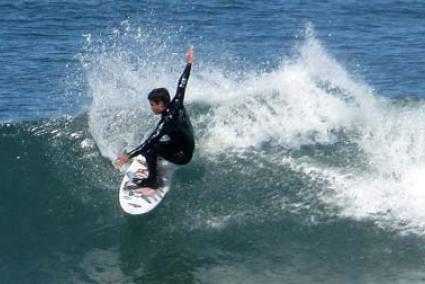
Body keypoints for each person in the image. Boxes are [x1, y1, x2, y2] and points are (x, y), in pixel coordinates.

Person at [115, 47, 195, 196]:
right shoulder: (177, 102)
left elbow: (150, 141)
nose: (151, 107)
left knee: (149, 148)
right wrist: (189, 63)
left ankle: (152, 182)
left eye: (153, 104)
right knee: (155, 145)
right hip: (187, 146)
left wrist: (129, 156)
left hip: (183, 156)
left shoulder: (167, 121)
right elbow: (182, 83)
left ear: (161, 104)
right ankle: (157, 161)